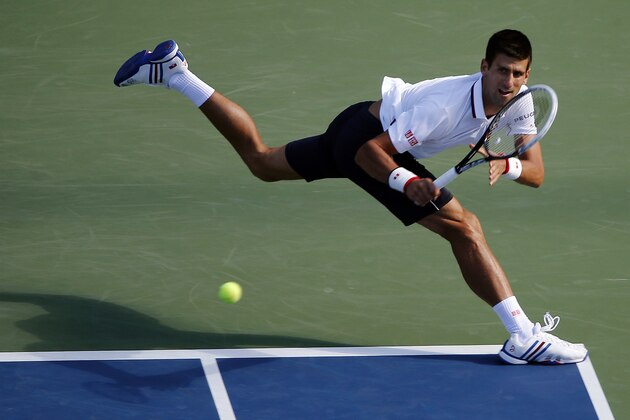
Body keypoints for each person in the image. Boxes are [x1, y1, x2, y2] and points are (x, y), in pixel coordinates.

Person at [114, 29, 587, 365]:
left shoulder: (521, 102)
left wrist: (508, 164)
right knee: (465, 228)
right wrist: (406, 182)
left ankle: (176, 73)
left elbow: (537, 173)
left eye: (519, 74)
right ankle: (523, 337)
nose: (509, 83)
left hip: (362, 126)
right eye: (502, 71)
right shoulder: (442, 108)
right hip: (366, 140)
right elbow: (368, 153)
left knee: (261, 161)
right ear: (483, 66)